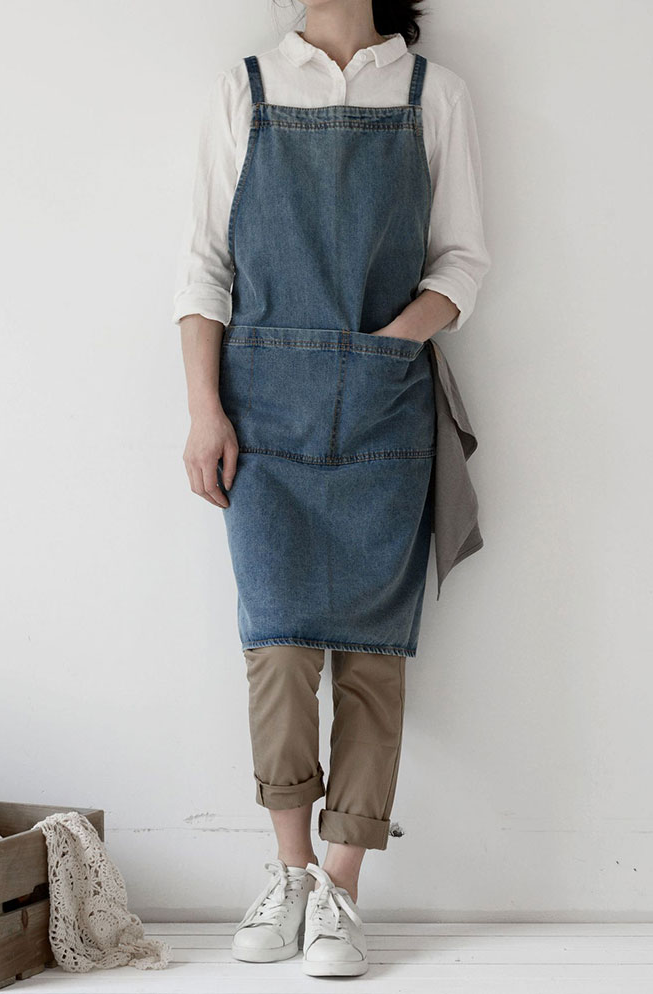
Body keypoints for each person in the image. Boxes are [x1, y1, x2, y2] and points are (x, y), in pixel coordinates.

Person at [171, 0, 490, 979]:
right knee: (276, 648)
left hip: (385, 410)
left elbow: (462, 263)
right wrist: (203, 411)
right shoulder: (247, 89)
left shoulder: (433, 94)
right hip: (263, 414)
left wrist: (387, 345)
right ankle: (292, 874)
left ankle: (342, 892)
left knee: (372, 660)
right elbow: (205, 267)